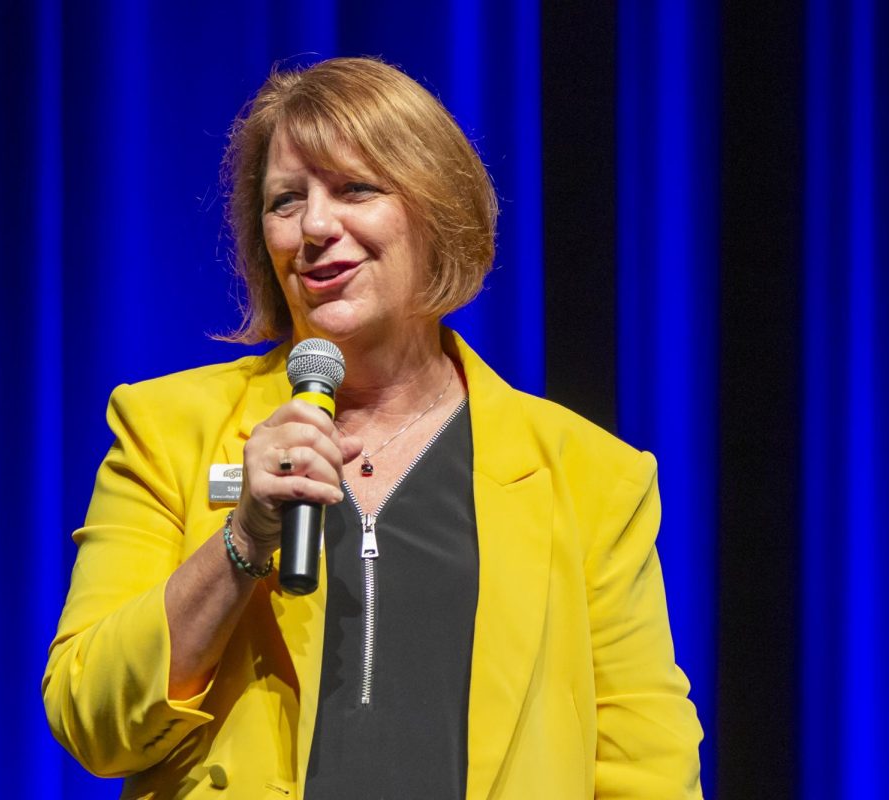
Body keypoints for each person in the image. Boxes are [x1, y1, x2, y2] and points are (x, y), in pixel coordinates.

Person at [42, 56, 703, 799]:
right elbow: (88, 717)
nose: (316, 227)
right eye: (285, 201)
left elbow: (646, 766)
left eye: (356, 189)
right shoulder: (167, 430)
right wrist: (242, 544)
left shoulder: (589, 476)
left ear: (437, 210)